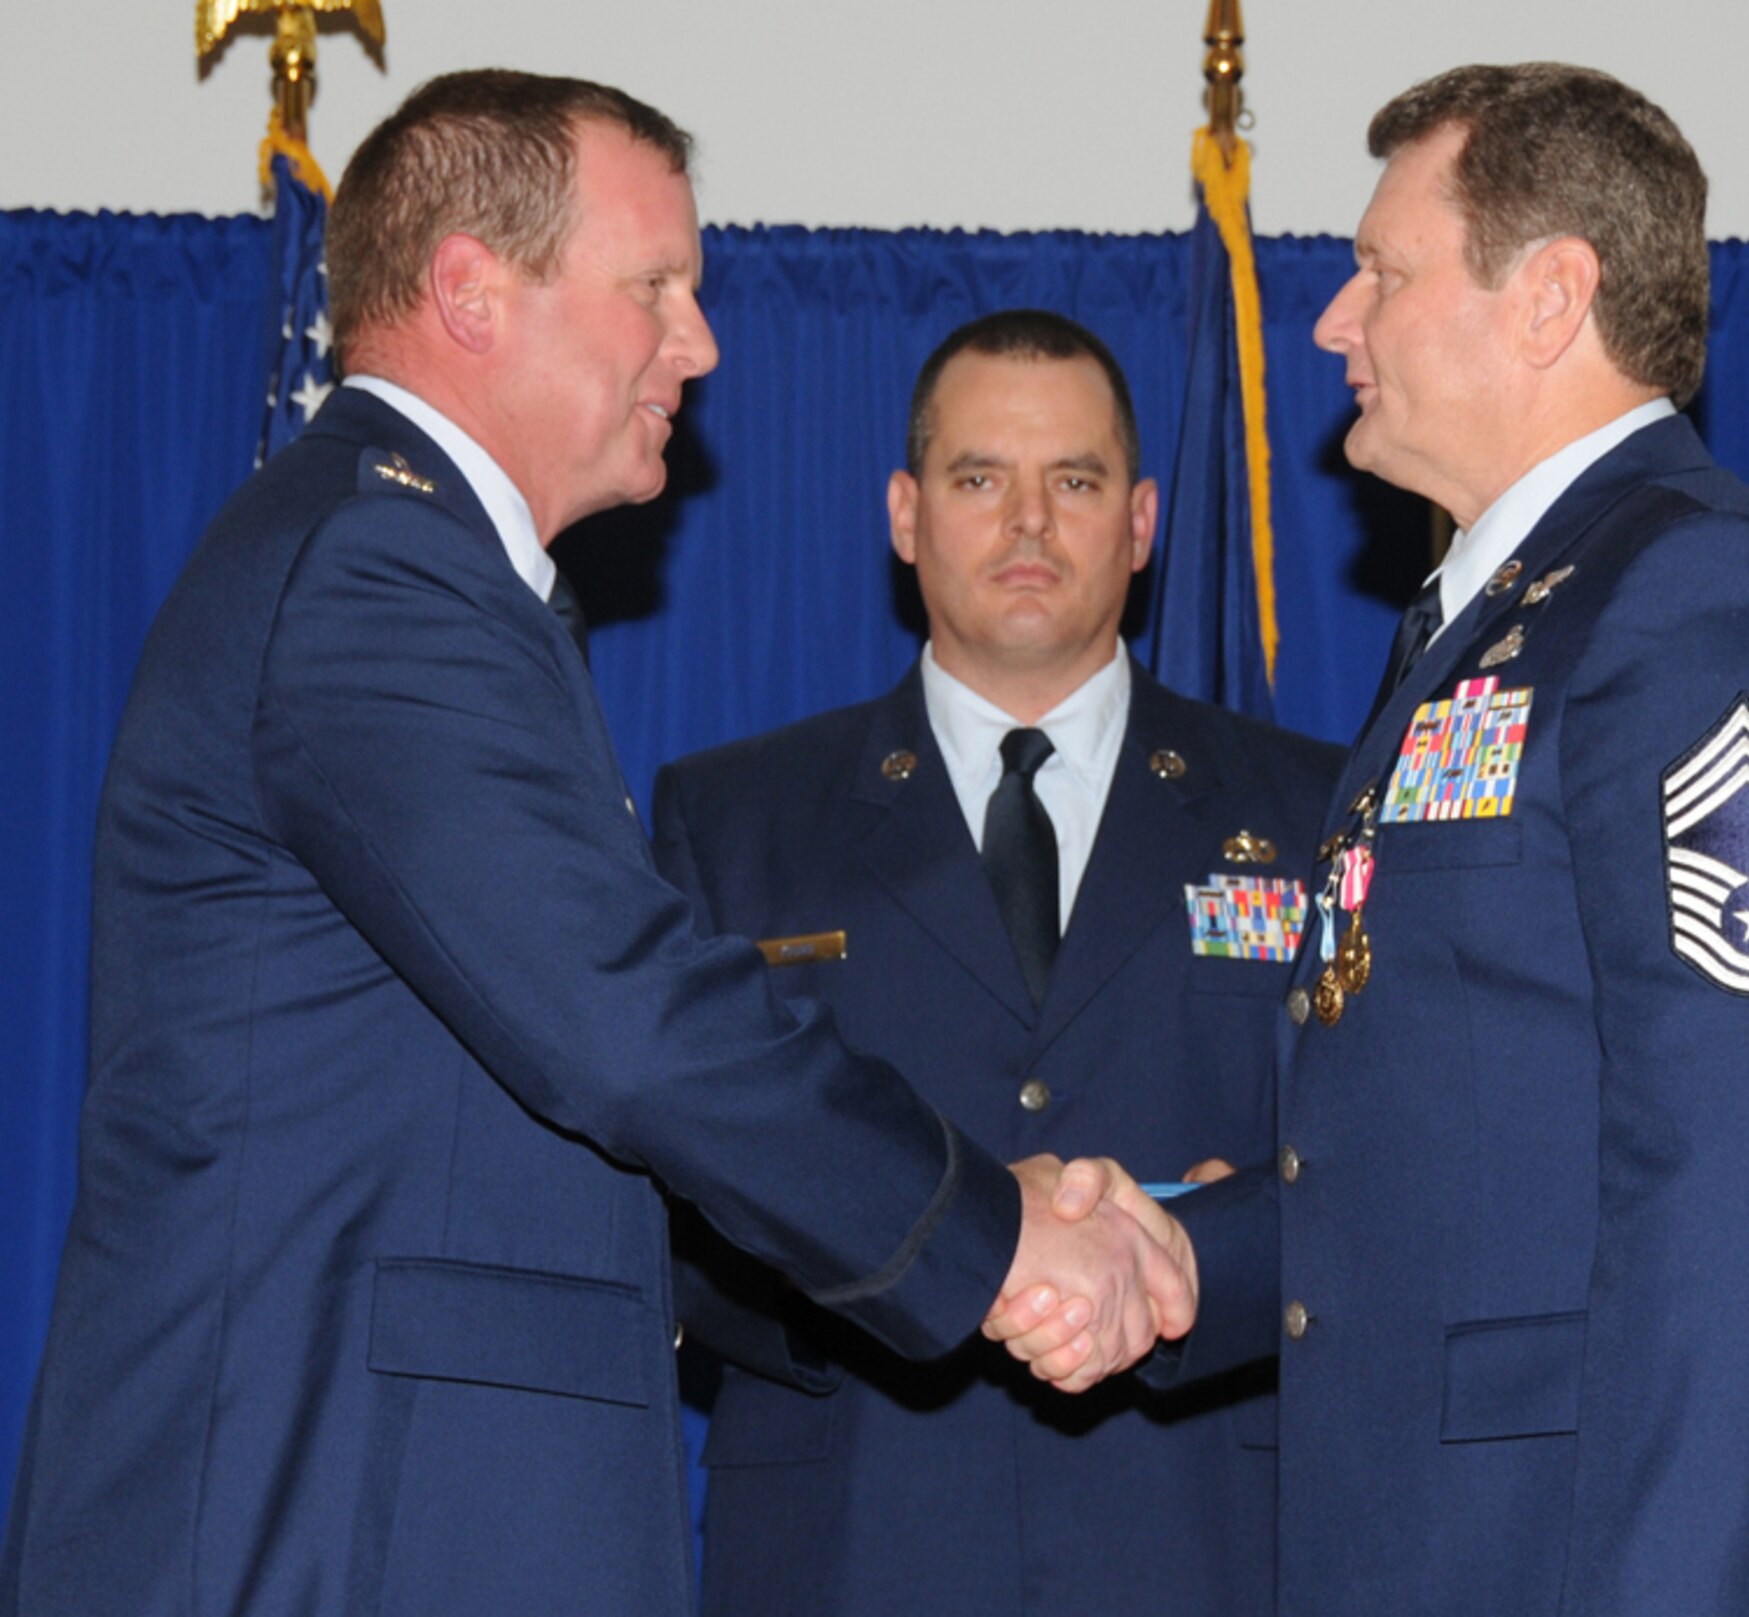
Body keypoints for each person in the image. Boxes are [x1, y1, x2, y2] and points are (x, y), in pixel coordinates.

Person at [0, 72, 1194, 1617]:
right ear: (471, 292)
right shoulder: (376, 570)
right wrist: (994, 1227)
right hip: (319, 1521)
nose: (696, 343)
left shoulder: (429, 575)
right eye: (657, 289)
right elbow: (629, 1022)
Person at [993, 62, 1749, 1615]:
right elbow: (1458, 1159)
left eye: (1382, 269)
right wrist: (1187, 1259)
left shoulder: (1705, 611)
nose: (1331, 320)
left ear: (1548, 297)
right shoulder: (1503, 624)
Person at [653, 309, 1342, 1615]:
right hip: (858, 1540)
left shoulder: (1313, 810)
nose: (1030, 524)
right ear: (905, 514)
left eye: (1074, 482)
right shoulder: (736, 820)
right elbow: (659, 1203)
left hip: (1209, 1542)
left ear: (1141, 523)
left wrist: (1209, 1254)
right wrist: (933, 1256)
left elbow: (1393, 1168)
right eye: (980, 479)